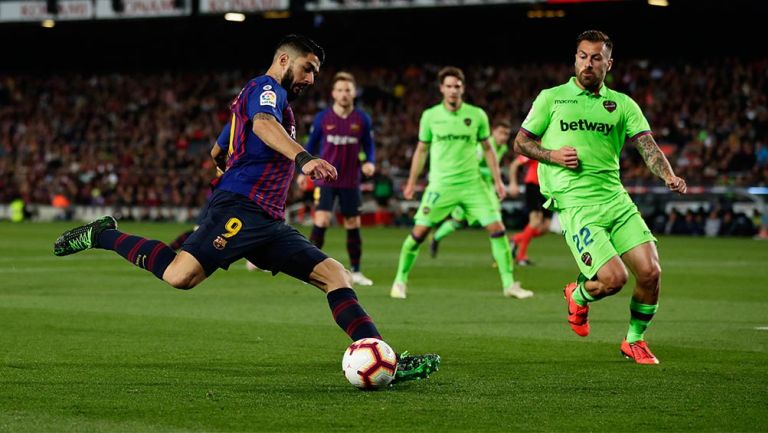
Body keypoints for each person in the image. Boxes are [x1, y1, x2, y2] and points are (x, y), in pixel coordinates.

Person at [53, 34, 439, 383]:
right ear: (285, 61)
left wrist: (231, 162)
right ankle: (102, 233)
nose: (311, 80)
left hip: (267, 219)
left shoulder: (258, 99)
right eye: (309, 69)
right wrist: (303, 159)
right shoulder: (265, 88)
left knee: (335, 274)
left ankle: (383, 356)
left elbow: (219, 148)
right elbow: (261, 125)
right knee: (179, 276)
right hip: (242, 208)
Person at [513, 30, 687, 364]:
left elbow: (647, 146)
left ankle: (634, 340)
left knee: (651, 273)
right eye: (582, 56)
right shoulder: (552, 98)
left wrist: (669, 175)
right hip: (577, 205)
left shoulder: (622, 104)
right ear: (574, 59)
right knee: (614, 279)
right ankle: (577, 293)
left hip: (616, 200)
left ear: (609, 63)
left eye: (596, 58)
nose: (588, 64)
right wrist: (551, 155)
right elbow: (521, 143)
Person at [391, 66, 532, 300]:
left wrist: (498, 181)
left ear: (463, 88)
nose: (453, 90)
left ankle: (509, 285)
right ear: (441, 89)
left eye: (457, 86)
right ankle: (400, 281)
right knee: (419, 233)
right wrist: (411, 182)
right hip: (441, 185)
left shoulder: (477, 115)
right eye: (448, 86)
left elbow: (488, 149)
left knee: (497, 229)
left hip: (472, 185)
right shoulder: (430, 116)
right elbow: (421, 149)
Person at [299, 72, 376, 286]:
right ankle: (309, 268)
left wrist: (370, 162)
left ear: (354, 93)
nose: (344, 94)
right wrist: (301, 169)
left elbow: (369, 146)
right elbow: (311, 145)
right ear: (333, 93)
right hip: (325, 181)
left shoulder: (362, 119)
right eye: (340, 90)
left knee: (353, 223)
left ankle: (357, 271)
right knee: (321, 220)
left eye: (348, 90)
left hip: (351, 181)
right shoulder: (323, 118)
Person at [428, 120, 513, 258]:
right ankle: (436, 238)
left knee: (496, 216)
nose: (504, 137)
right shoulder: (482, 146)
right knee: (457, 222)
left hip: (486, 187)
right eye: (501, 133)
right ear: (493, 132)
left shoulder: (502, 148)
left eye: (507, 134)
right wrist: (492, 173)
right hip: (470, 186)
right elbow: (473, 166)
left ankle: (500, 256)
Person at [508, 154, 553, 266]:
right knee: (535, 221)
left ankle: (515, 239)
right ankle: (521, 256)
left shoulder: (555, 147)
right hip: (534, 186)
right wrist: (513, 183)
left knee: (545, 228)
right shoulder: (536, 149)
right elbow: (515, 164)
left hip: (548, 189)